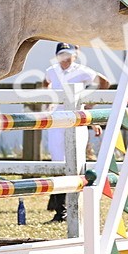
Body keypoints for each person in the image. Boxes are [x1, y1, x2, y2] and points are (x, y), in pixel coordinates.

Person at [43, 42, 110, 222]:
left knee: (76, 161)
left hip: (76, 119)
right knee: (57, 161)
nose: (65, 59)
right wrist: (48, 103)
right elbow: (46, 82)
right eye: (62, 55)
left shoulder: (82, 71)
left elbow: (104, 82)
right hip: (56, 119)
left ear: (74, 55)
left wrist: (89, 107)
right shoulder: (52, 70)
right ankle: (60, 209)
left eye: (68, 55)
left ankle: (75, 207)